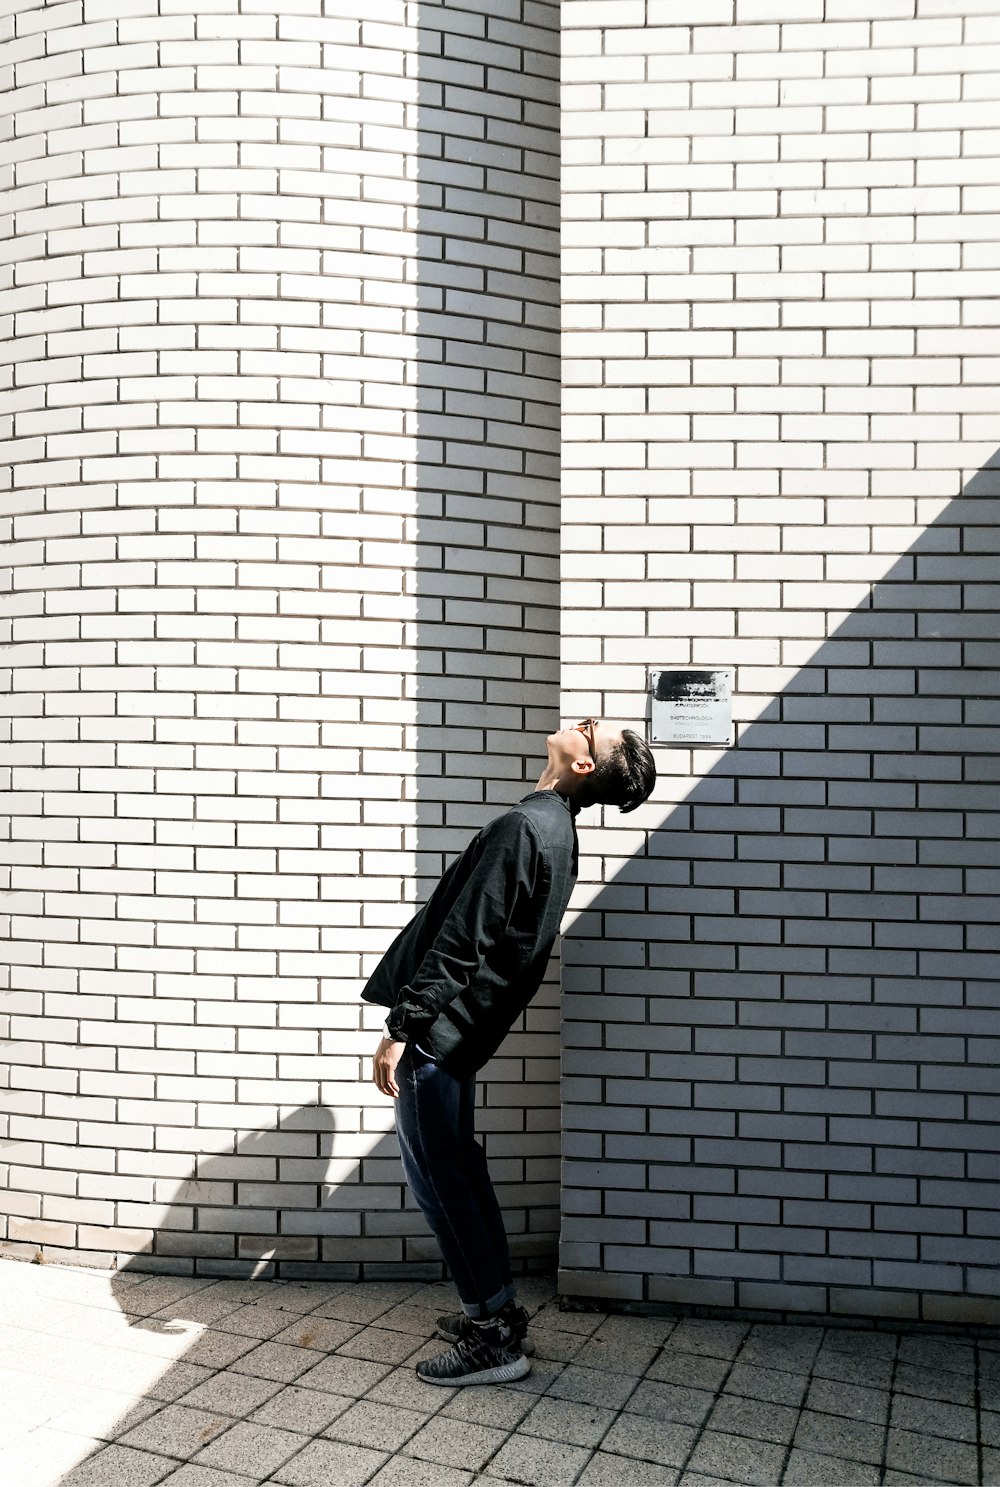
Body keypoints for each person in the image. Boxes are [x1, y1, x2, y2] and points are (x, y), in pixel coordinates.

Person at [362, 719, 656, 1386]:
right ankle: (496, 1308)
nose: (581, 722)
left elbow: (464, 940)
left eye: (593, 731)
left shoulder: (527, 829)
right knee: (458, 1171)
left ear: (584, 765)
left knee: (443, 1181)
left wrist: (400, 1028)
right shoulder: (551, 829)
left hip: (441, 1034)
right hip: (460, 1033)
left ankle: (492, 1339)